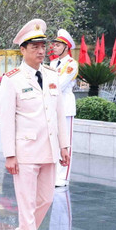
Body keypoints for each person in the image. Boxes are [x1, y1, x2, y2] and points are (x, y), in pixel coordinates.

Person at [0, 19, 70, 230]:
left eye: (43, 46)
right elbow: (6, 119)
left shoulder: (52, 75)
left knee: (46, 199)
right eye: (35, 47)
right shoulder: (12, 79)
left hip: (50, 150)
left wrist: (64, 145)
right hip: (26, 152)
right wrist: (10, 154)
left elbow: (59, 114)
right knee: (27, 204)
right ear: (23, 50)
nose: (41, 51)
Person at [49, 29, 78, 186]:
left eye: (58, 45)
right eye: (55, 44)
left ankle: (64, 176)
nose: (54, 47)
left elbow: (59, 84)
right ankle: (55, 174)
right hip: (53, 106)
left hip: (66, 106)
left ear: (66, 47)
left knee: (66, 142)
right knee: (55, 141)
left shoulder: (71, 64)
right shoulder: (53, 63)